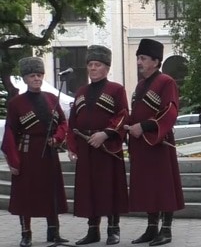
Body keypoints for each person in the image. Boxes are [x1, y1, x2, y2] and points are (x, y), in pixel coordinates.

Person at [1, 57, 69, 247]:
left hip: (49, 152)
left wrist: (57, 137)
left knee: (51, 191)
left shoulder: (51, 98)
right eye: (32, 76)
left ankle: (54, 232)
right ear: (25, 79)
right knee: (26, 195)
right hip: (28, 153)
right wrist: (13, 162)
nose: (37, 79)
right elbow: (10, 133)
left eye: (39, 75)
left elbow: (63, 122)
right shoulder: (16, 104)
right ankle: (26, 234)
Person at [66, 45, 129, 245]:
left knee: (109, 188)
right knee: (89, 189)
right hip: (85, 148)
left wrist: (106, 134)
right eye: (90, 64)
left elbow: (123, 115)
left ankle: (113, 230)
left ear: (107, 68)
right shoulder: (81, 91)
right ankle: (93, 231)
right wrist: (72, 146)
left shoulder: (116, 90)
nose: (93, 68)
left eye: (97, 65)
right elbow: (73, 122)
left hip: (107, 148)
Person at [124, 38, 185, 246]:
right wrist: (129, 127)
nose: (139, 62)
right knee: (148, 187)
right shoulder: (141, 85)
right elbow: (136, 112)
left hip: (159, 143)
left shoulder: (166, 82)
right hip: (141, 144)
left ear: (156, 61)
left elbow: (170, 111)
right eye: (138, 58)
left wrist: (145, 127)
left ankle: (166, 230)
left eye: (143, 58)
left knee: (163, 186)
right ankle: (151, 229)